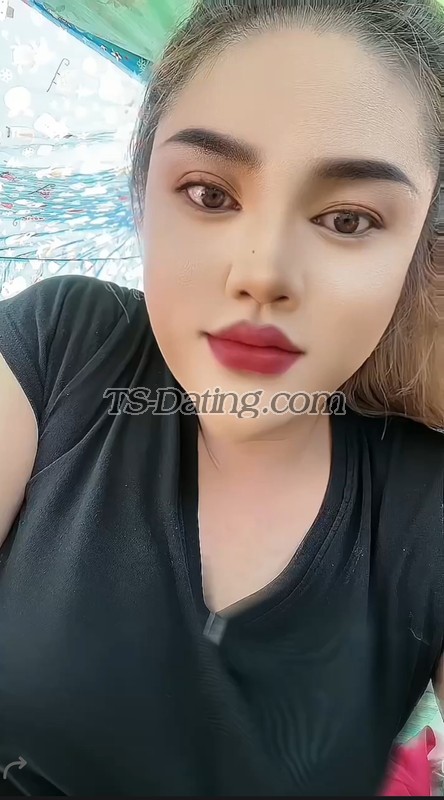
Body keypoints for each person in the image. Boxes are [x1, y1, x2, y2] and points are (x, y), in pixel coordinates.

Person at [0, 0, 443, 795]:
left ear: (418, 253)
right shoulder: (60, 345)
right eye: (209, 194)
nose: (263, 273)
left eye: (349, 219)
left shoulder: (427, 504)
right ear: (141, 196)